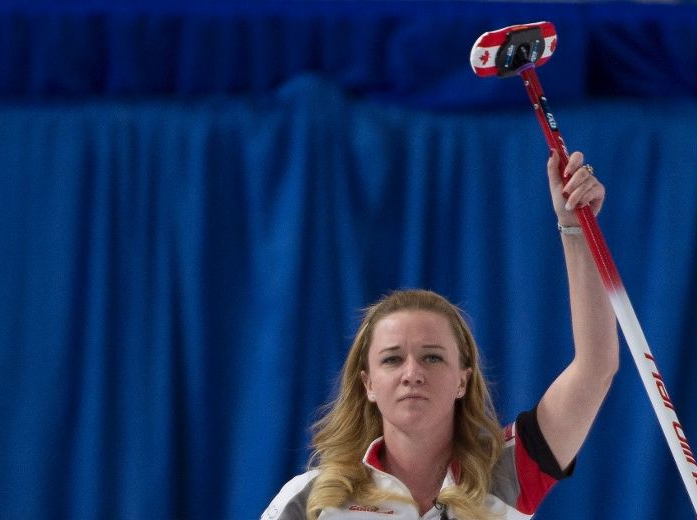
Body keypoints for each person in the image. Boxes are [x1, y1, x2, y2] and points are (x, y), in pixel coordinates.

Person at [261, 151, 619, 519]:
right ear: (367, 384)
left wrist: (575, 229)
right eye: (392, 359)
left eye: (432, 357)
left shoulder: (507, 474)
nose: (412, 373)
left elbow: (595, 368)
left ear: (463, 379)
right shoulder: (310, 499)